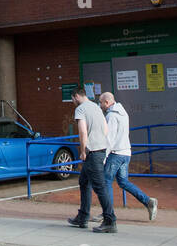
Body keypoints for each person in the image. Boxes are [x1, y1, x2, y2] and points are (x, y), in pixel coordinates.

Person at [97, 92, 158, 221]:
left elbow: (110, 139)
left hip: (116, 154)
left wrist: (103, 157)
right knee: (123, 182)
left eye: (101, 102)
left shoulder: (111, 116)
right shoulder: (123, 113)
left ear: (107, 102)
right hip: (126, 152)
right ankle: (148, 202)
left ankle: (107, 213)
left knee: (106, 181)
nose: (100, 105)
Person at [67, 88, 116, 233]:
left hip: (92, 152)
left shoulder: (80, 109)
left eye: (72, 99)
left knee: (100, 187)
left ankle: (110, 220)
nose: (73, 102)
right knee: (84, 182)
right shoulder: (96, 107)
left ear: (76, 96)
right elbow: (105, 129)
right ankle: (82, 217)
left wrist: (82, 151)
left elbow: (82, 131)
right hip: (101, 149)